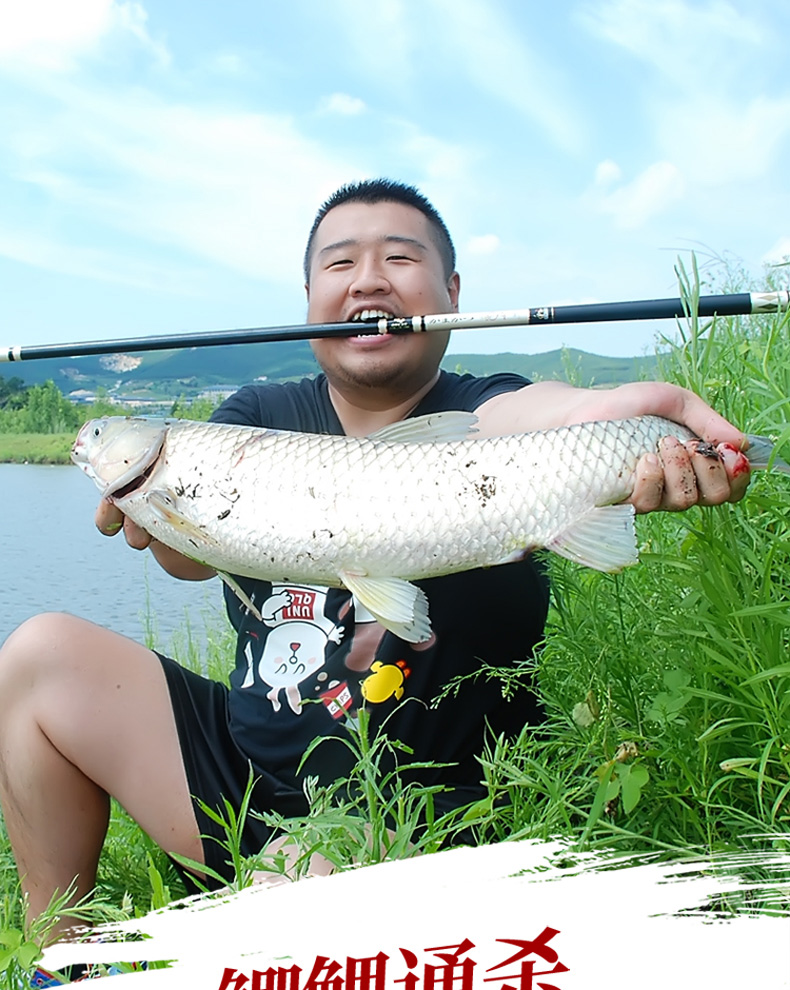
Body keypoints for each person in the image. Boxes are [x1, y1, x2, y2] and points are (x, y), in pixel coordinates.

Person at [0, 179, 750, 938]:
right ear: (307, 298)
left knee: (301, 886)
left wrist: (608, 418)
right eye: (340, 263)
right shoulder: (256, 419)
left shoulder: (486, 408)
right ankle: (54, 952)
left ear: (451, 292)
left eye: (399, 256)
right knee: (38, 658)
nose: (368, 277)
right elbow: (190, 563)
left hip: (430, 808)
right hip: (249, 780)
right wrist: (160, 518)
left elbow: (542, 412)